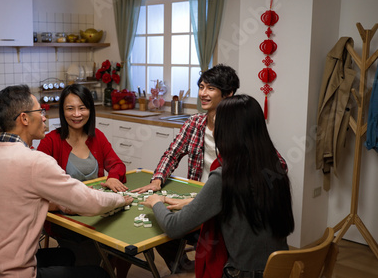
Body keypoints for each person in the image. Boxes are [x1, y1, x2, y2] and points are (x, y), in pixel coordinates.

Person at [0, 84, 133, 278]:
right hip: (15, 273)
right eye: (40, 111)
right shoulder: (35, 161)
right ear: (24, 118)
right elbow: (90, 203)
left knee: (65, 256)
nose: (45, 117)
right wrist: (122, 199)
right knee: (98, 274)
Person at [141, 94, 295, 278]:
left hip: (242, 273)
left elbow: (174, 227)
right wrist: (194, 202)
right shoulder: (274, 166)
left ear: (226, 131)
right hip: (280, 269)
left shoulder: (225, 176)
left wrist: (156, 201)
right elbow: (241, 206)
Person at [37, 84, 131, 277]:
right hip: (67, 219)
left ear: (90, 109)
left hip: (98, 211)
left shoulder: (97, 137)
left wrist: (113, 176)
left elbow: (118, 164)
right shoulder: (50, 141)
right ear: (62, 112)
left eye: (82, 108)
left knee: (128, 243)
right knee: (89, 261)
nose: (77, 114)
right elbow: (37, 184)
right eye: (70, 108)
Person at [132, 64, 240, 194]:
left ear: (228, 93)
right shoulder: (194, 122)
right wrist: (157, 180)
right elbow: (172, 155)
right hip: (197, 190)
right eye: (201, 87)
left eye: (210, 88)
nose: (203, 93)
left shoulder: (240, 126)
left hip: (227, 195)